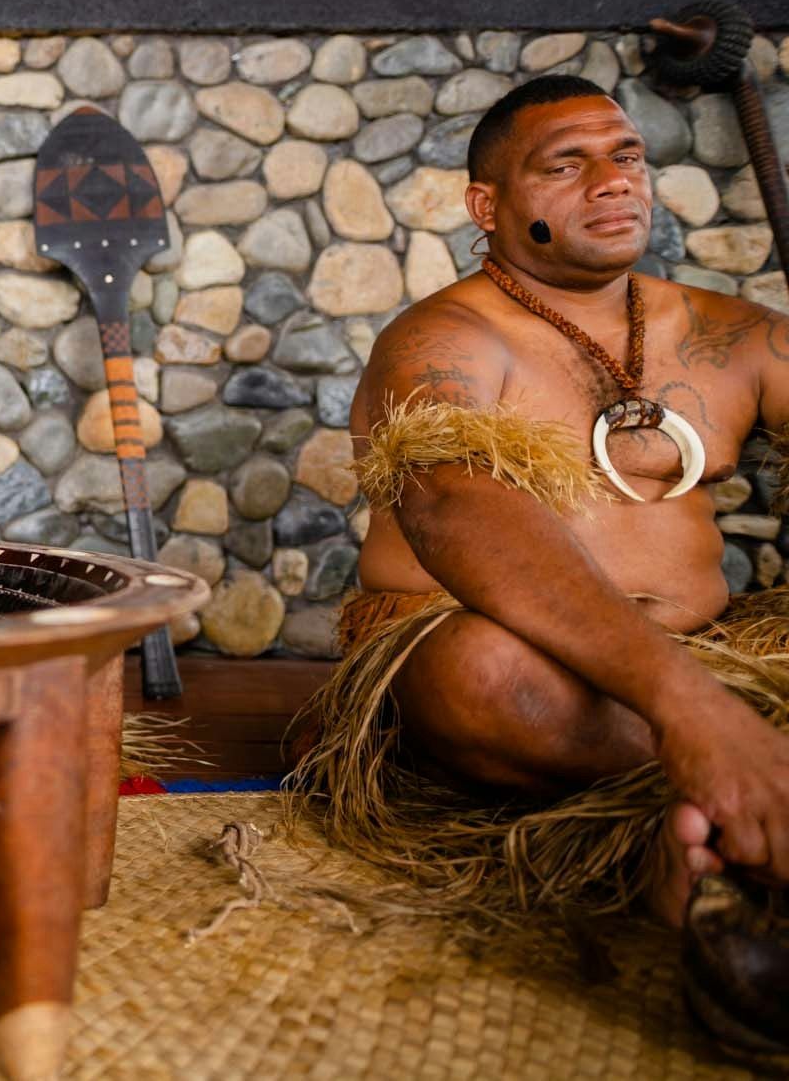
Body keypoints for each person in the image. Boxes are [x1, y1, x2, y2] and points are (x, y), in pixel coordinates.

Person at [290, 74, 789, 929]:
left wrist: (712, 687)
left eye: (626, 154)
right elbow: (452, 504)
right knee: (485, 674)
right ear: (487, 205)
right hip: (516, 662)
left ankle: (696, 828)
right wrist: (691, 707)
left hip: (715, 652)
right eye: (568, 163)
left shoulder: (741, 334)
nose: (612, 179)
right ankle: (723, 785)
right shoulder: (442, 340)